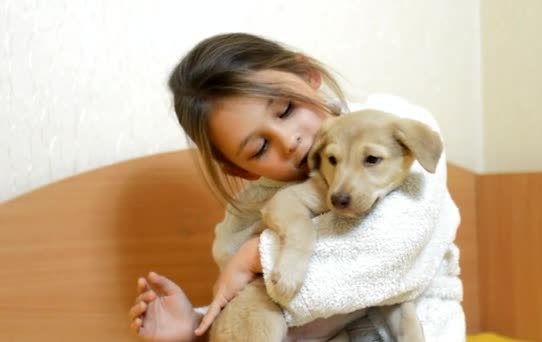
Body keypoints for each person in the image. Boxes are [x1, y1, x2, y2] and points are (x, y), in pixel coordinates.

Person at [128, 32, 464, 342]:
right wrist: (197, 327)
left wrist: (257, 255)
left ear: (308, 75)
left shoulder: (393, 126)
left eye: (286, 109)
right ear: (239, 169)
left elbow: (387, 252)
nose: (290, 141)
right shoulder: (248, 214)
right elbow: (257, 306)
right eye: (260, 148)